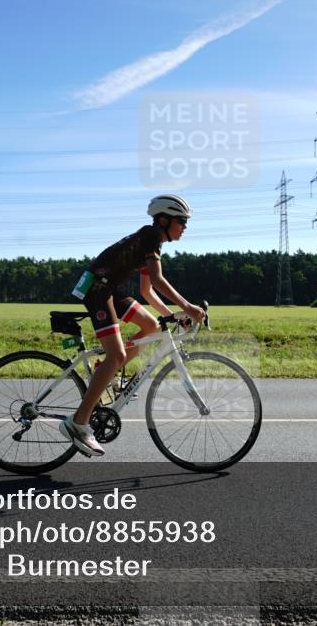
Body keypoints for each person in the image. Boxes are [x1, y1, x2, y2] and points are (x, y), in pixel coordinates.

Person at [60, 194, 205, 457]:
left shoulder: (152, 241)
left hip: (110, 288)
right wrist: (188, 307)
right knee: (116, 355)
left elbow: (147, 290)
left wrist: (170, 316)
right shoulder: (151, 235)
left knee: (152, 326)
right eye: (182, 221)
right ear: (164, 220)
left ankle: (107, 372)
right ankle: (78, 423)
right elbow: (158, 281)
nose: (185, 227)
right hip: (97, 289)